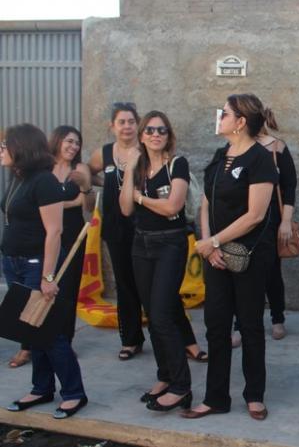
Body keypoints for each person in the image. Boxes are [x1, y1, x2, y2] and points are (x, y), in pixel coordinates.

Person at [181, 94, 277, 421]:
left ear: (240, 122)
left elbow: (255, 215)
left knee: (250, 325)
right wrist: (210, 244)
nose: (219, 117)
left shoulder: (260, 159)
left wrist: (215, 241)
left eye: (224, 113)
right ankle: (215, 398)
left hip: (248, 256)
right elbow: (206, 203)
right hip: (217, 256)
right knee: (216, 326)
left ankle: (254, 395)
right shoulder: (221, 155)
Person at [2, 123, 87, 419]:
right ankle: (41, 388)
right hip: (14, 262)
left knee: (47, 332)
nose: (2, 150)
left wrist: (48, 277)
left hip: (37, 264)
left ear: (21, 148)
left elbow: (55, 232)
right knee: (30, 329)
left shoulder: (44, 182)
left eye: (5, 145)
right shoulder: (19, 179)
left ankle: (74, 392)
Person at [119, 110, 193, 411]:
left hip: (171, 244)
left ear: (168, 134)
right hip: (141, 243)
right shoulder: (136, 168)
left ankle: (181, 386)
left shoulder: (178, 164)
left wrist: (141, 198)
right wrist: (129, 171)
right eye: (149, 130)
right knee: (151, 314)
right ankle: (164, 376)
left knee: (162, 315)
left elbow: (173, 206)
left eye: (161, 130)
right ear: (142, 135)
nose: (155, 134)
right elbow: (124, 209)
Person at [231, 121, 297, 347]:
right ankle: (240, 324)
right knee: (240, 269)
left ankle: (277, 318)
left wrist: (286, 221)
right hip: (241, 220)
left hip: (271, 221)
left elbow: (290, 186)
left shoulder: (277, 147)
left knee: (271, 271)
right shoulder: (236, 147)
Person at [88, 103, 145, 360]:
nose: (126, 127)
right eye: (121, 122)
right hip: (115, 229)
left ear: (138, 124)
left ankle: (174, 340)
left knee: (149, 284)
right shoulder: (104, 153)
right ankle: (131, 340)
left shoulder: (147, 150)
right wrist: (108, 184)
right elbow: (88, 173)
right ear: (112, 126)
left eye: (131, 121)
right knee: (124, 284)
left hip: (144, 227)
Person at [49, 126, 94, 341]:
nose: (74, 146)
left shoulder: (80, 168)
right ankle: (30, 343)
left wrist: (85, 187)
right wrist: (68, 202)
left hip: (73, 235)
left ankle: (64, 341)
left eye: (77, 143)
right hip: (45, 234)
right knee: (41, 286)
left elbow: (87, 205)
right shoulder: (44, 167)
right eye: (69, 141)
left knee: (67, 289)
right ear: (57, 141)